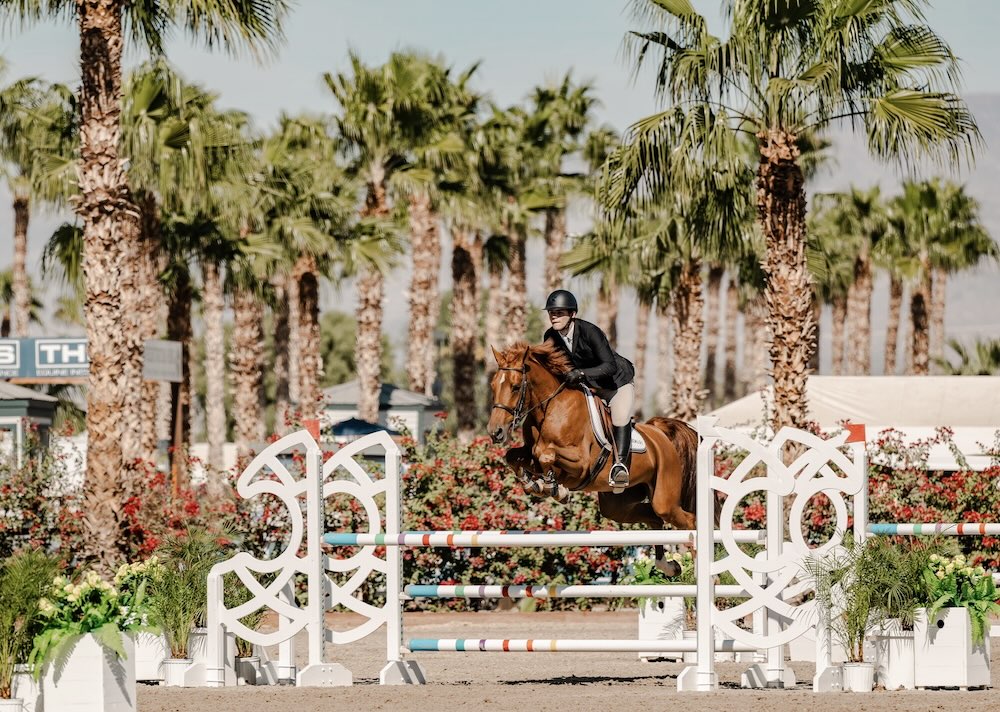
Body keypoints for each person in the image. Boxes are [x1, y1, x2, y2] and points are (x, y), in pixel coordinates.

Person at [542, 289, 636, 490]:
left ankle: (620, 466)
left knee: (619, 417)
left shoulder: (590, 331)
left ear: (572, 314)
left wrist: (581, 373)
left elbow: (609, 365)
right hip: (588, 387)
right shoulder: (550, 336)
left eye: (559, 312)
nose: (554, 316)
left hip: (615, 384)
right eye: (551, 312)